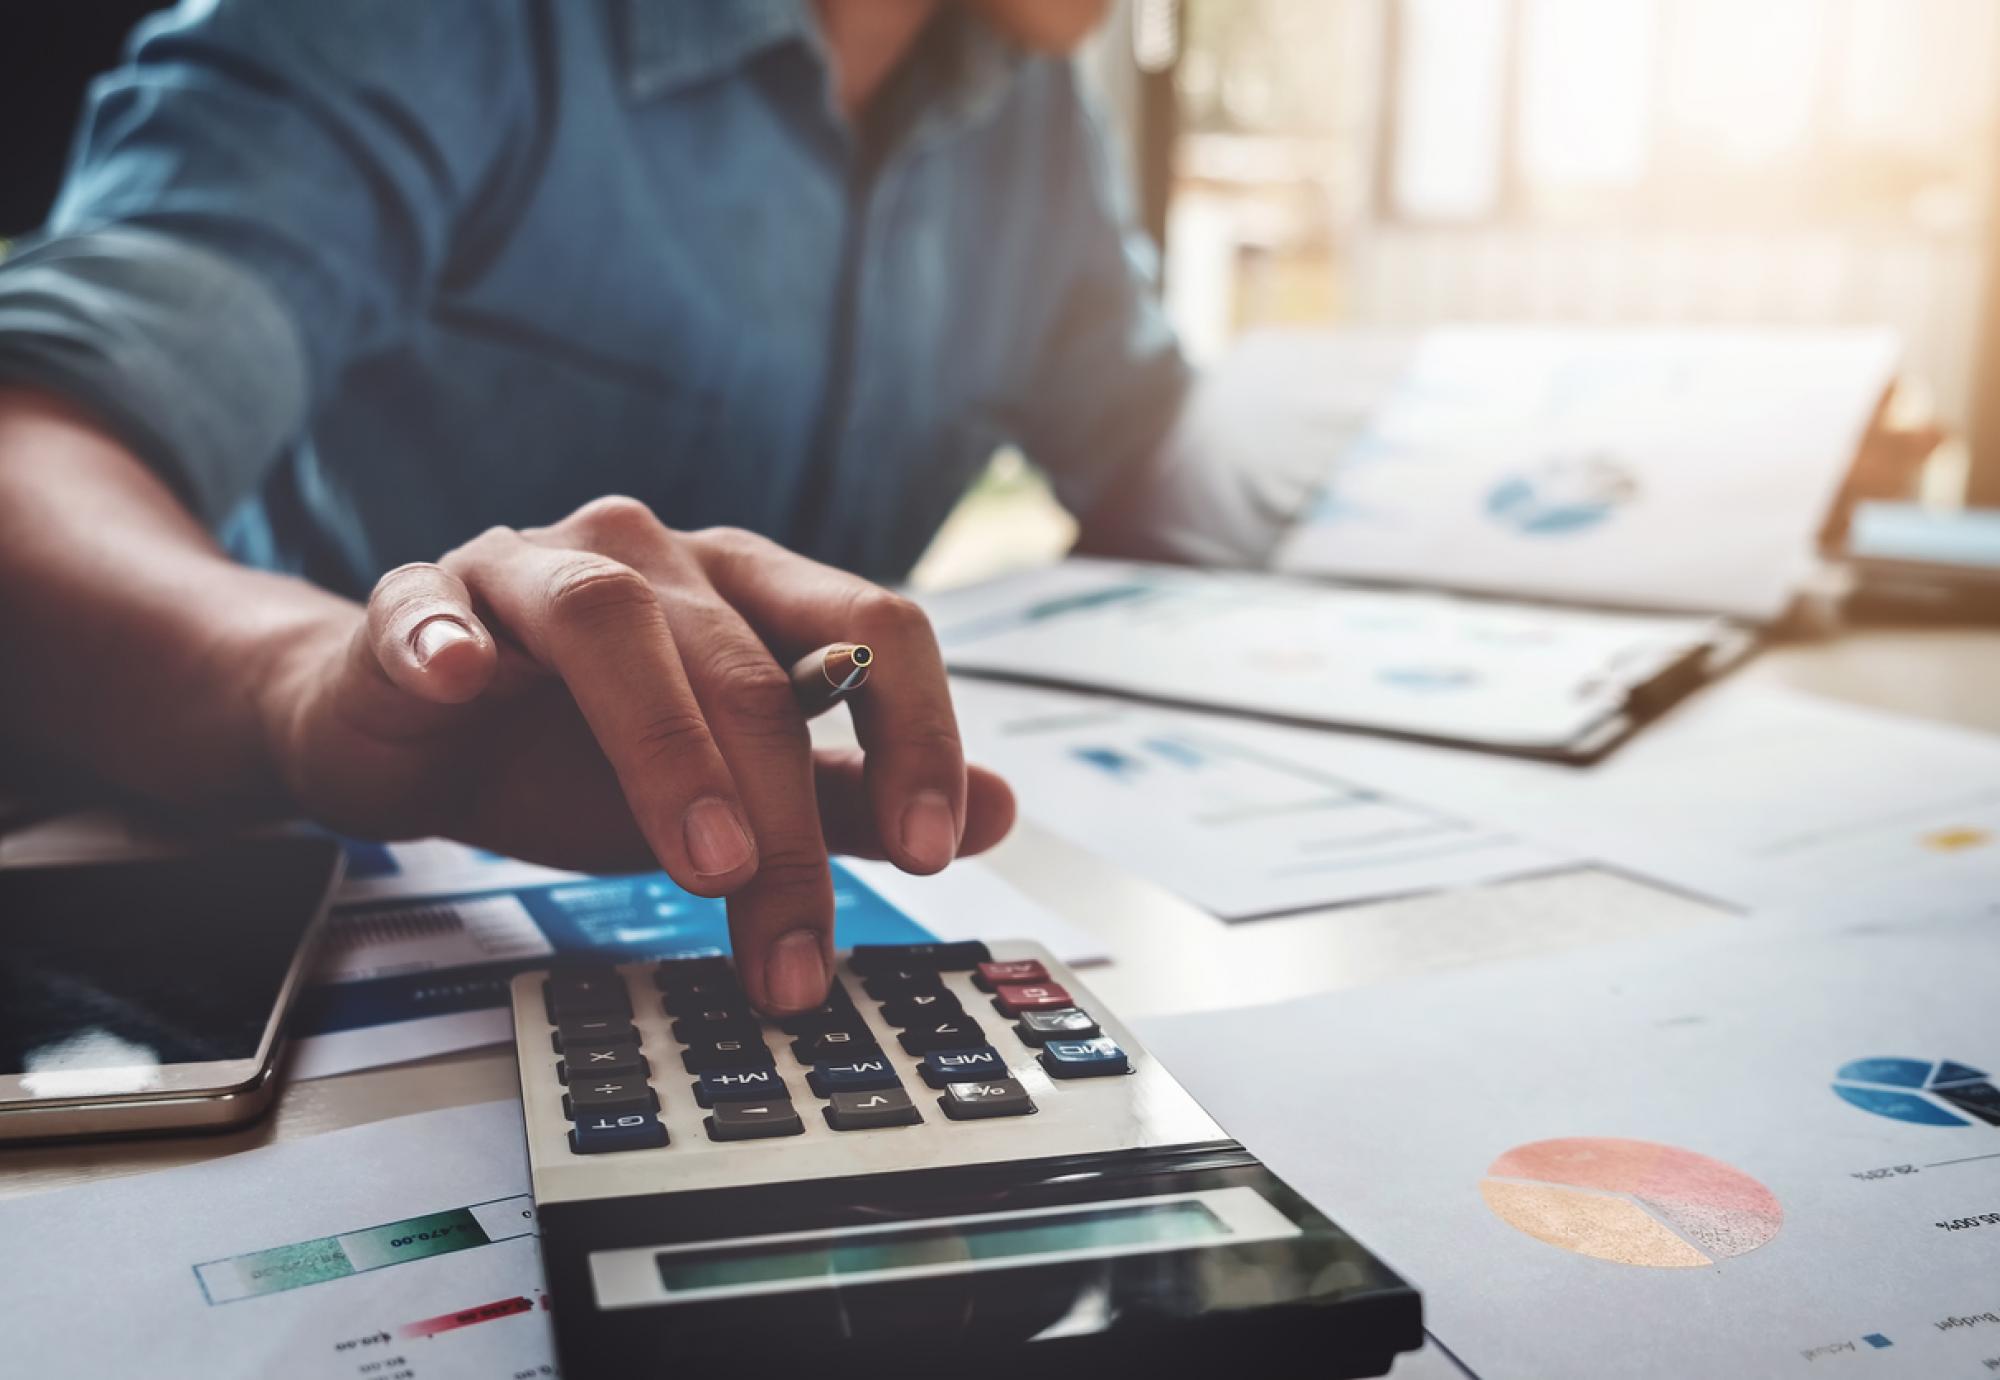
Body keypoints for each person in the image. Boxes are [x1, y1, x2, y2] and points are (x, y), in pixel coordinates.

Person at [0, 0, 1276, 1013]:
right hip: (300, 921)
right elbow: (29, 435)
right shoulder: (431, 27)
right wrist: (292, 683)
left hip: (734, 927)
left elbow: (1151, 457)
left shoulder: (1026, 105)